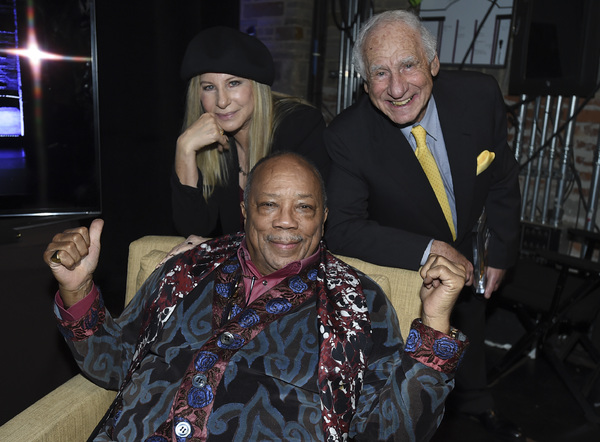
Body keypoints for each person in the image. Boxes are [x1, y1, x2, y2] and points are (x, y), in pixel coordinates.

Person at [46, 152, 468, 441]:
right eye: (269, 204)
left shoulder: (358, 303)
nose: (286, 222)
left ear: (324, 216)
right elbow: (116, 364)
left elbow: (391, 431)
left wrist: (434, 326)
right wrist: (77, 287)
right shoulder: (188, 268)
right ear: (246, 209)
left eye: (303, 207)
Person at [323, 9, 523, 441]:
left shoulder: (480, 97)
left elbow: (502, 176)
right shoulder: (347, 136)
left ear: (432, 63)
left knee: (472, 319)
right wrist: (428, 249)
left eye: (408, 65)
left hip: (469, 245)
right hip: (400, 264)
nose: (396, 88)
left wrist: (501, 251)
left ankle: (477, 401)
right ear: (364, 83)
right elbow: (341, 228)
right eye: (380, 73)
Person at [171, 26, 330, 240]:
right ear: (197, 95)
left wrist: (218, 249)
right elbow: (192, 228)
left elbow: (292, 231)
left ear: (256, 87)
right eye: (209, 87)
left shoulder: (300, 127)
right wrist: (184, 150)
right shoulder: (211, 142)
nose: (222, 101)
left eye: (233, 83)